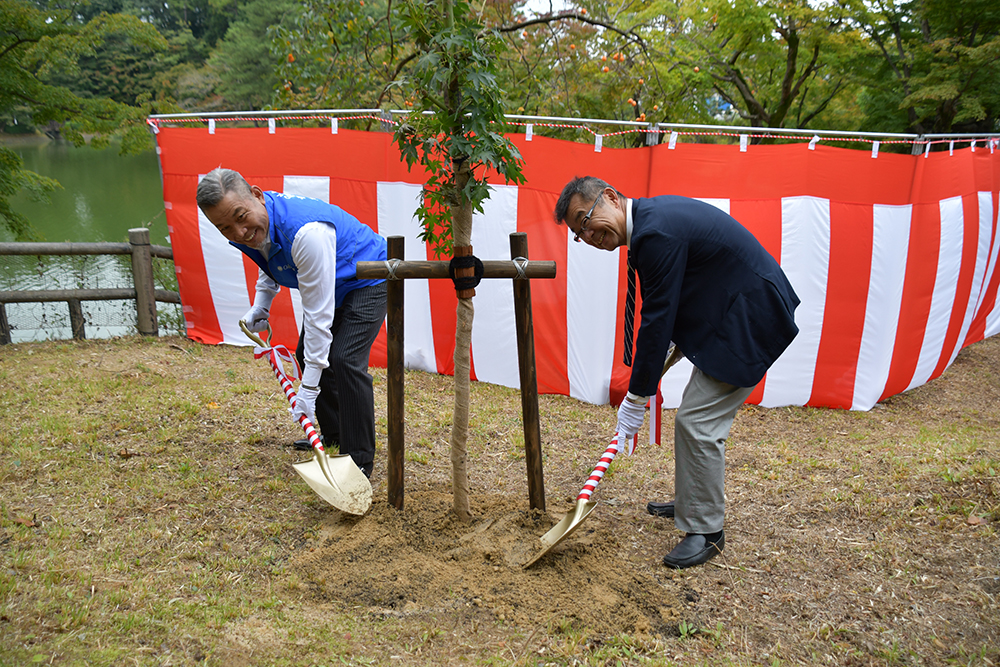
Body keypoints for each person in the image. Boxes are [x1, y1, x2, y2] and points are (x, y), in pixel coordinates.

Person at [554, 176, 800, 569]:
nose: (588, 235)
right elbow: (668, 307)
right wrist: (652, 370)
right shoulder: (650, 226)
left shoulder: (655, 233)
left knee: (697, 420)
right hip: (730, 310)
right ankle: (693, 500)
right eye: (578, 234)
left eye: (585, 220)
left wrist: (636, 396)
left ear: (611, 198)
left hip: (751, 317)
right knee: (693, 416)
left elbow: (657, 318)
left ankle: (707, 530)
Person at [196, 168, 387, 479]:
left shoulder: (306, 233)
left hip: (368, 277)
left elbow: (318, 318)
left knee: (344, 360)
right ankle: (334, 433)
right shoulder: (249, 224)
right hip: (334, 281)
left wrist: (308, 390)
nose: (239, 232)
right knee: (305, 354)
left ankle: (358, 459)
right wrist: (262, 303)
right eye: (224, 228)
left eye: (240, 217)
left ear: (257, 195)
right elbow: (266, 256)